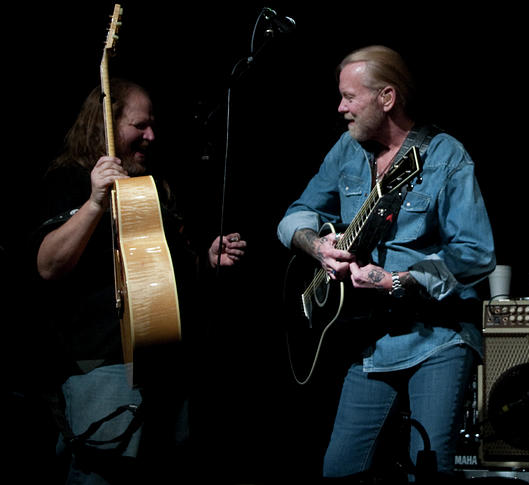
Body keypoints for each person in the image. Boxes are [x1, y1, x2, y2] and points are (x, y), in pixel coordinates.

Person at [277, 45, 495, 482]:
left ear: (387, 98)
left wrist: (400, 280)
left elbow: (475, 252)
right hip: (370, 341)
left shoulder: (444, 155)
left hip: (437, 337)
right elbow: (294, 216)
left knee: (428, 470)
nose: (341, 108)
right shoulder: (346, 150)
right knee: (339, 469)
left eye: (349, 97)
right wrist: (317, 247)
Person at [34, 78, 246, 484]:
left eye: (152, 125)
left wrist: (206, 260)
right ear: (106, 126)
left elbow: (162, 277)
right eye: (139, 125)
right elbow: (48, 265)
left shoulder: (151, 186)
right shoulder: (70, 180)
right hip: (104, 369)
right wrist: (95, 201)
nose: (151, 135)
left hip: (165, 367)